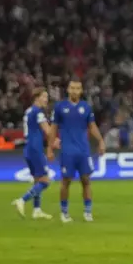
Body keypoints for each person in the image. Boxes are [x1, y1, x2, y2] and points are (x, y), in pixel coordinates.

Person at [48, 79, 106, 223]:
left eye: (77, 88)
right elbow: (53, 128)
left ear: (81, 91)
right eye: (72, 88)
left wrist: (100, 141)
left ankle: (87, 212)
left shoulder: (85, 107)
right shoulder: (60, 107)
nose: (74, 90)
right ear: (68, 90)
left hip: (83, 150)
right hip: (67, 150)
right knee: (66, 181)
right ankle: (64, 212)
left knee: (86, 180)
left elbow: (92, 126)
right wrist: (49, 148)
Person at [11, 88, 53, 220]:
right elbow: (48, 131)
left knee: (37, 180)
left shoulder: (28, 111)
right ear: (37, 98)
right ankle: (22, 200)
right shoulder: (38, 112)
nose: (46, 100)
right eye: (44, 97)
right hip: (36, 149)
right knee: (45, 182)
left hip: (28, 148)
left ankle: (37, 210)